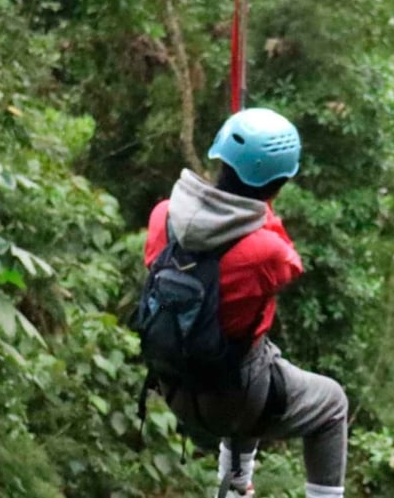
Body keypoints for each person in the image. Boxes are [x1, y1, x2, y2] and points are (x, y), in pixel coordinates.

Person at [143, 107, 348, 498]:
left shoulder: (164, 216)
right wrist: (261, 212)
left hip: (176, 386)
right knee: (331, 403)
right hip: (234, 399)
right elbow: (289, 263)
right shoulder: (266, 251)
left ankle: (236, 484)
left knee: (257, 352)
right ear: (281, 182)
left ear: (219, 156)